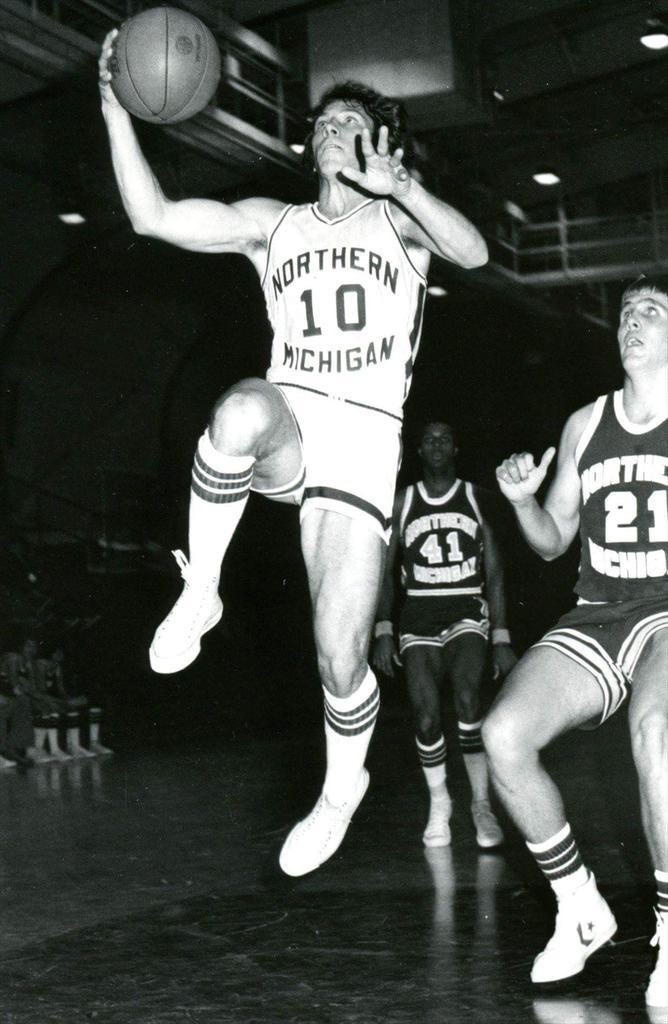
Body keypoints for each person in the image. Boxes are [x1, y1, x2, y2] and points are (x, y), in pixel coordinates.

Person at [98, 32, 488, 876]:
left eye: (351, 118)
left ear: (377, 142)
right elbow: (152, 216)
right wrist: (113, 110)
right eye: (325, 119)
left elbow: (476, 252)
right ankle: (200, 591)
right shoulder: (271, 225)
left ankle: (341, 789)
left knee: (338, 657)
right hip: (295, 418)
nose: (332, 128)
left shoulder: (401, 223)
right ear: (312, 143)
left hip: (363, 441)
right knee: (238, 410)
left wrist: (408, 186)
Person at [484, 275, 667, 1007]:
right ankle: (581, 906)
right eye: (626, 313)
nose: (633, 322)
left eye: (653, 312)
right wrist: (525, 502)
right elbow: (555, 540)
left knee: (657, 731)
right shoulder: (586, 424)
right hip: (598, 612)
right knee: (501, 734)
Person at [373, 421, 515, 849]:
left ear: (456, 447)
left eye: (444, 438)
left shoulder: (475, 497)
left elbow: (493, 570)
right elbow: (383, 570)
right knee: (426, 715)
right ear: (419, 449)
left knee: (469, 699)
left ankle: (481, 803)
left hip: (466, 608)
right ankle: (440, 803)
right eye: (429, 438)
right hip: (418, 611)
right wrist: (382, 628)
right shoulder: (404, 501)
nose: (437, 444)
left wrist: (502, 637)